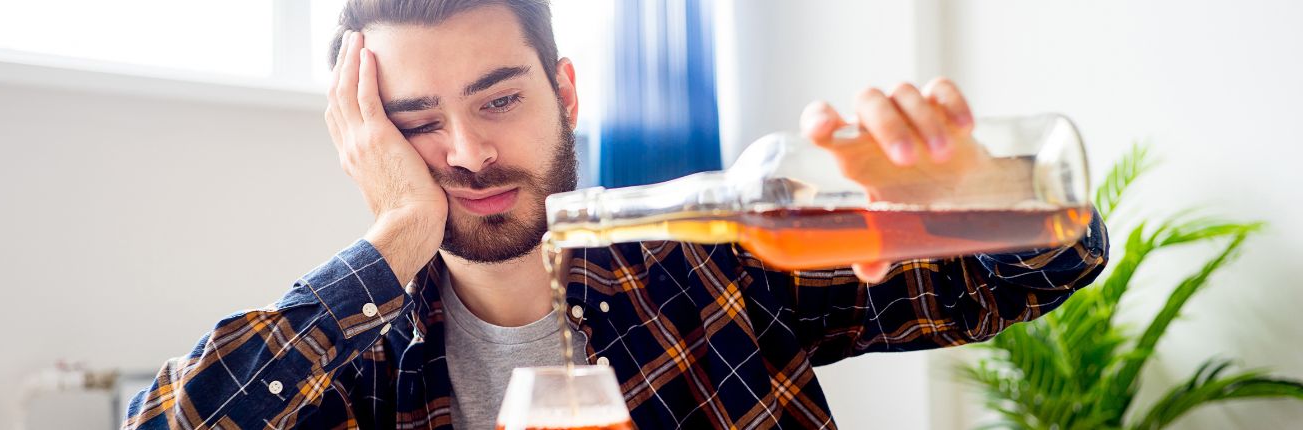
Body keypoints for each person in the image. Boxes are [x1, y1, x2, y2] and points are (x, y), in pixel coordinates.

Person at [123, 1, 1108, 428]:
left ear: (566, 92)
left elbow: (1043, 270)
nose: (467, 152)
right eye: (418, 122)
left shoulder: (715, 262)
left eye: (499, 99)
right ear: (366, 139)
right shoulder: (356, 360)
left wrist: (980, 192)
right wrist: (390, 243)